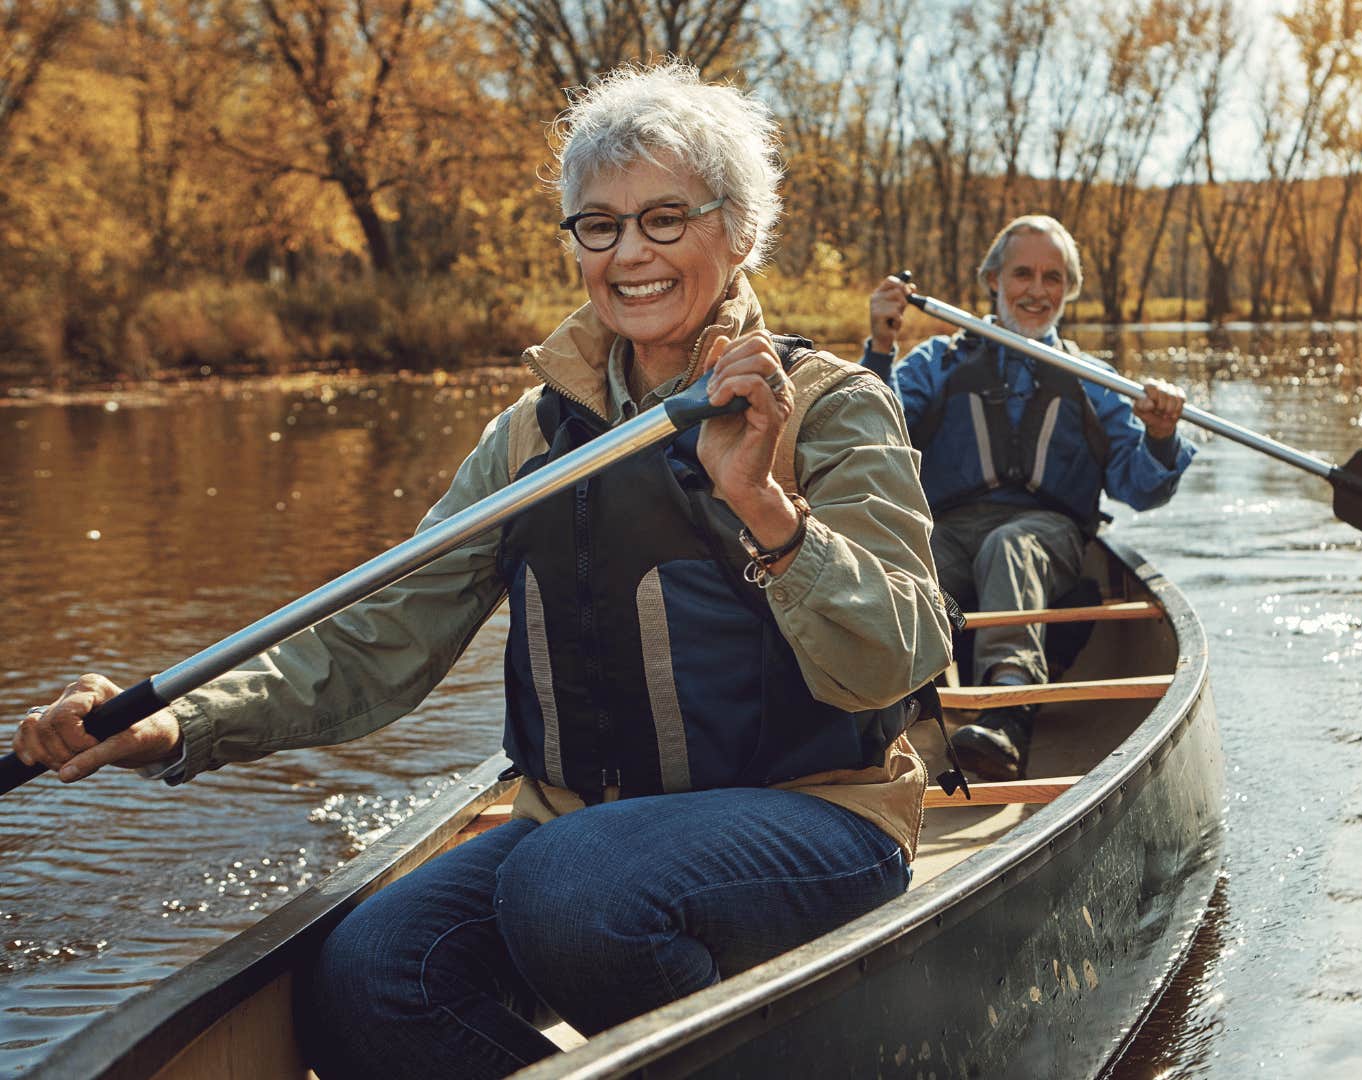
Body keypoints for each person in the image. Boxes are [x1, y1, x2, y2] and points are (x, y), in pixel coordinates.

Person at [10, 61, 951, 1079]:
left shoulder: (831, 402)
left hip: (817, 815)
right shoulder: (528, 440)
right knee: (370, 979)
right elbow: (378, 635)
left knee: (575, 891)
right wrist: (181, 722)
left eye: (666, 218)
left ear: (739, 234)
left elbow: (902, 653)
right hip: (581, 840)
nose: (631, 252)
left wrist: (763, 506)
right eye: (600, 225)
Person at [861, 215, 1193, 782]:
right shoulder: (936, 362)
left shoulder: (1093, 380)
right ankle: (885, 711)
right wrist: (883, 347)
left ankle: (1007, 712)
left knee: (1010, 546)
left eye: (1053, 277)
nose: (1037, 291)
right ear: (992, 279)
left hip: (1048, 538)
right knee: (909, 553)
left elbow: (1141, 487)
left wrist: (1161, 436)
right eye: (1023, 274)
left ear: (1069, 290)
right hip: (950, 531)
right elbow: (871, 439)